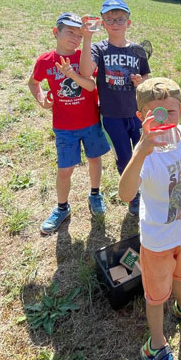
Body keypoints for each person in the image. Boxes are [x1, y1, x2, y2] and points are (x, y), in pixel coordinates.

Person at [118, 78, 181, 360]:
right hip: (158, 239)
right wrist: (141, 152)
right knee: (156, 294)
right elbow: (124, 193)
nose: (163, 119)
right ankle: (156, 345)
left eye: (170, 112)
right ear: (141, 117)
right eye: (154, 113)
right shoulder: (145, 154)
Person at [28, 12, 110, 235]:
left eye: (78, 34)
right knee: (65, 170)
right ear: (56, 33)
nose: (75, 38)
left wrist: (72, 74)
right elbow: (33, 83)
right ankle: (62, 207)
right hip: (64, 127)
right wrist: (41, 99)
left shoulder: (85, 56)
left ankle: (95, 194)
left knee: (95, 159)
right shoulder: (45, 61)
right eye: (69, 32)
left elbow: (90, 85)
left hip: (90, 121)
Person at [80, 0, 151, 216]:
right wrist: (87, 39)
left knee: (145, 153)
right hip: (112, 115)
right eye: (109, 19)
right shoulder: (99, 49)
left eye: (120, 18)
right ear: (102, 23)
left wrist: (142, 81)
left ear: (128, 23)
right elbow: (84, 72)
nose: (115, 22)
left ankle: (148, 189)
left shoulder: (138, 50)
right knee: (124, 156)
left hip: (137, 113)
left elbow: (147, 76)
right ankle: (133, 195)